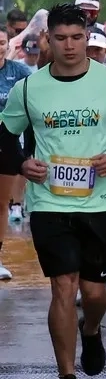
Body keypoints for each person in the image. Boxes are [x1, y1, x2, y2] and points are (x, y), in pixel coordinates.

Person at [0, 3, 106, 379]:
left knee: (93, 293)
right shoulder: (29, 88)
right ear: (48, 40)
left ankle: (92, 329)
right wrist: (22, 164)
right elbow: (6, 138)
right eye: (60, 38)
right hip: (49, 202)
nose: (69, 46)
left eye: (76, 38)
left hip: (99, 201)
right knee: (63, 286)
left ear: (87, 37)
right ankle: (66, 378)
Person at [0, 29, 31, 280]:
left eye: (1, 43)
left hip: (6, 145)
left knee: (1, 204)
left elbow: (35, 99)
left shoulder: (19, 72)